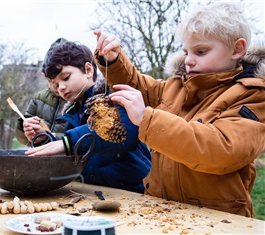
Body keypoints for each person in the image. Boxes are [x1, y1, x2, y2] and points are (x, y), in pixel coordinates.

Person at [93, 3, 265, 217]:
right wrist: (114, 60)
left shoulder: (253, 96)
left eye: (201, 51)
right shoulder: (178, 86)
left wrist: (147, 118)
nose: (189, 60)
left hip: (217, 219)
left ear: (237, 49)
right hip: (161, 210)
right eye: (186, 51)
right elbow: (139, 87)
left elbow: (221, 149)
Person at [25, 41, 151, 193]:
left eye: (65, 78)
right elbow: (73, 153)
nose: (61, 88)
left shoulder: (112, 94)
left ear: (88, 69)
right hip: (97, 193)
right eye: (56, 85)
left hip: (136, 192)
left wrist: (67, 143)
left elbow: (125, 130)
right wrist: (44, 140)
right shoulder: (71, 114)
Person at [16, 38, 68, 146]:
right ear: (44, 76)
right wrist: (25, 127)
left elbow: (80, 138)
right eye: (50, 80)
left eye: (62, 79)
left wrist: (48, 136)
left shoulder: (76, 99)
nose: (56, 86)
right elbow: (23, 140)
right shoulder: (38, 98)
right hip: (41, 158)